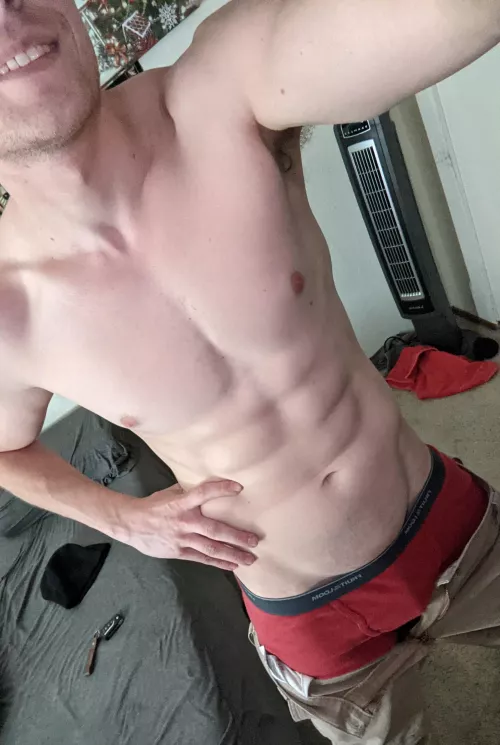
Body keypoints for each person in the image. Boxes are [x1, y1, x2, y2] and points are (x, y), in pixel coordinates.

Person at [1, 1, 500, 741]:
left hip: (443, 519)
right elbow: (5, 448)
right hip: (309, 621)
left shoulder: (218, 90)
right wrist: (121, 519)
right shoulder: (10, 314)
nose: (8, 16)